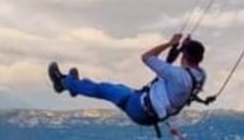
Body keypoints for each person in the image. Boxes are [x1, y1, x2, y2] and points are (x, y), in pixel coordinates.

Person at [48, 34, 207, 128]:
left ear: (184, 56)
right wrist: (180, 50)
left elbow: (147, 57)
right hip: (149, 111)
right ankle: (75, 86)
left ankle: (62, 83)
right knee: (115, 88)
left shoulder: (177, 75)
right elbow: (173, 72)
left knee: (103, 89)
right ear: (200, 59)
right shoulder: (199, 75)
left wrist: (170, 44)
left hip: (139, 107)